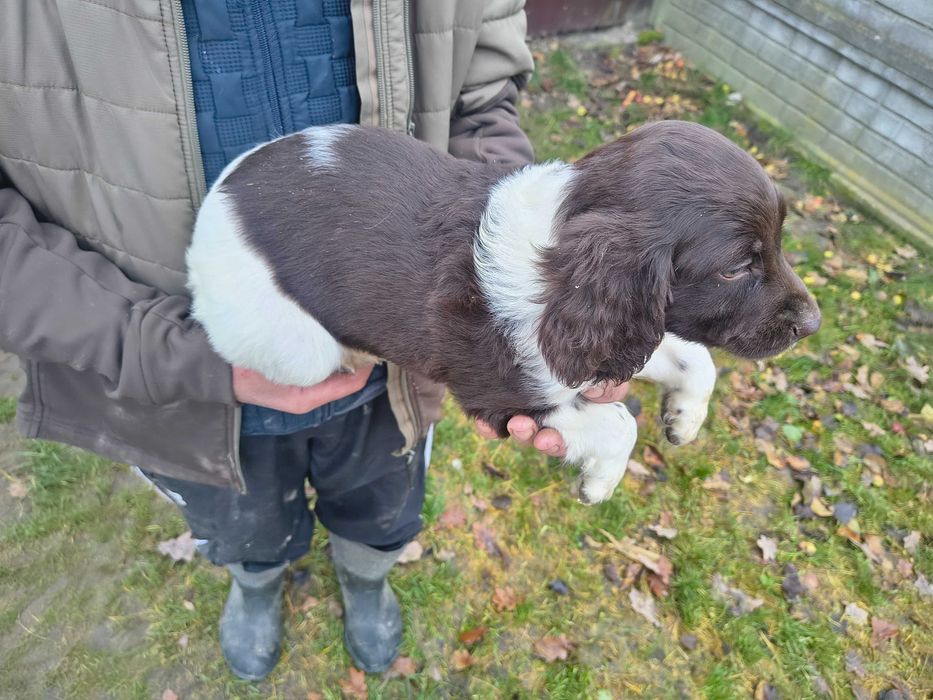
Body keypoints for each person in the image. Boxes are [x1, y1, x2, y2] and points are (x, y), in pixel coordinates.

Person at [0, 0, 627, 680]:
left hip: (389, 371)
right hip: (189, 386)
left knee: (382, 503)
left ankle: (366, 576)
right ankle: (256, 581)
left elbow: (481, 85)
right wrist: (167, 352)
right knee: (244, 525)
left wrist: (510, 286)